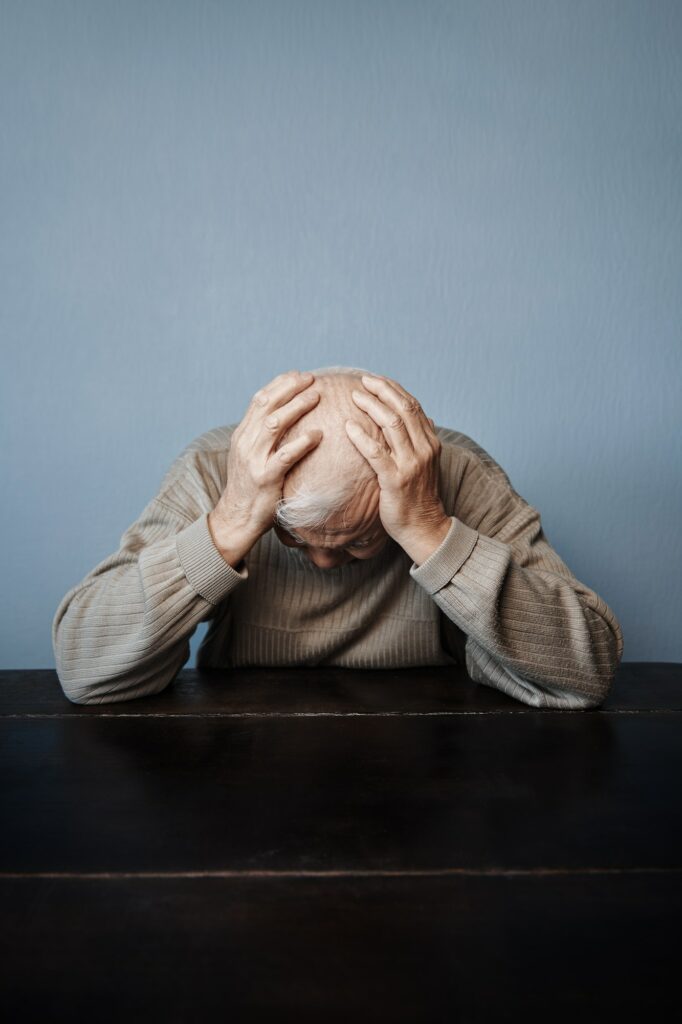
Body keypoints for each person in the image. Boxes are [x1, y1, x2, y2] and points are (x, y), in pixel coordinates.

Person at [52, 366, 624, 708]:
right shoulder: (215, 471)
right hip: (232, 754)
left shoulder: (449, 474)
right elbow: (83, 668)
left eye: (357, 541)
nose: (324, 563)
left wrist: (428, 529)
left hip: (439, 753)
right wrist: (228, 526)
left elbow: (589, 667)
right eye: (294, 538)